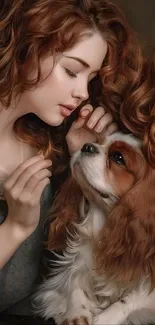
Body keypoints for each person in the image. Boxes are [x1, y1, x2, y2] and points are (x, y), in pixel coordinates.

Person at [0, 0, 151, 318]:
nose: (83, 92)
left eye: (90, 78)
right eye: (72, 70)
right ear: (27, 47)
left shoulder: (45, 142)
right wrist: (15, 226)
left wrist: (77, 161)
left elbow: (53, 271)